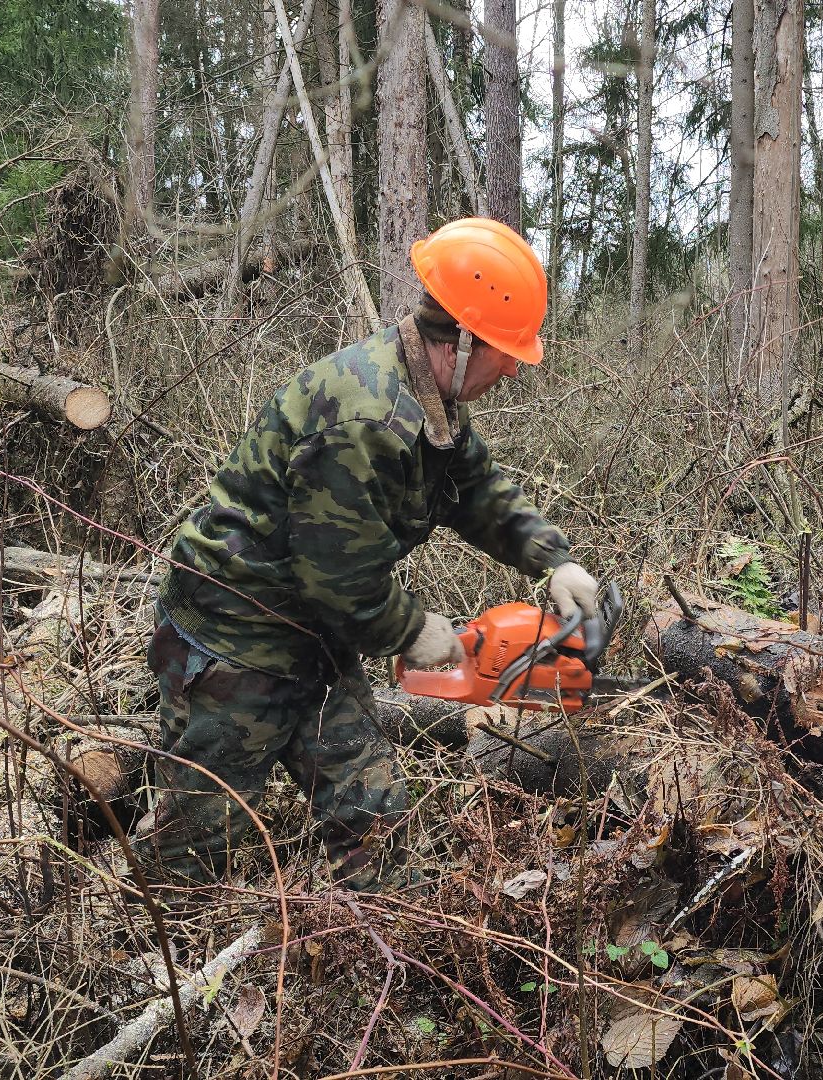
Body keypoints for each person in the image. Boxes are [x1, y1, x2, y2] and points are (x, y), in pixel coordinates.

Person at [144, 217, 600, 890]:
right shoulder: (366, 418)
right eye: (505, 351)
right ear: (466, 340)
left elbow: (475, 488)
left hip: (312, 640)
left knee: (375, 821)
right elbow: (339, 577)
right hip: (235, 639)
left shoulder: (430, 399)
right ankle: (163, 969)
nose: (510, 368)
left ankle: (383, 956)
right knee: (198, 843)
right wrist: (413, 630)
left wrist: (552, 559)